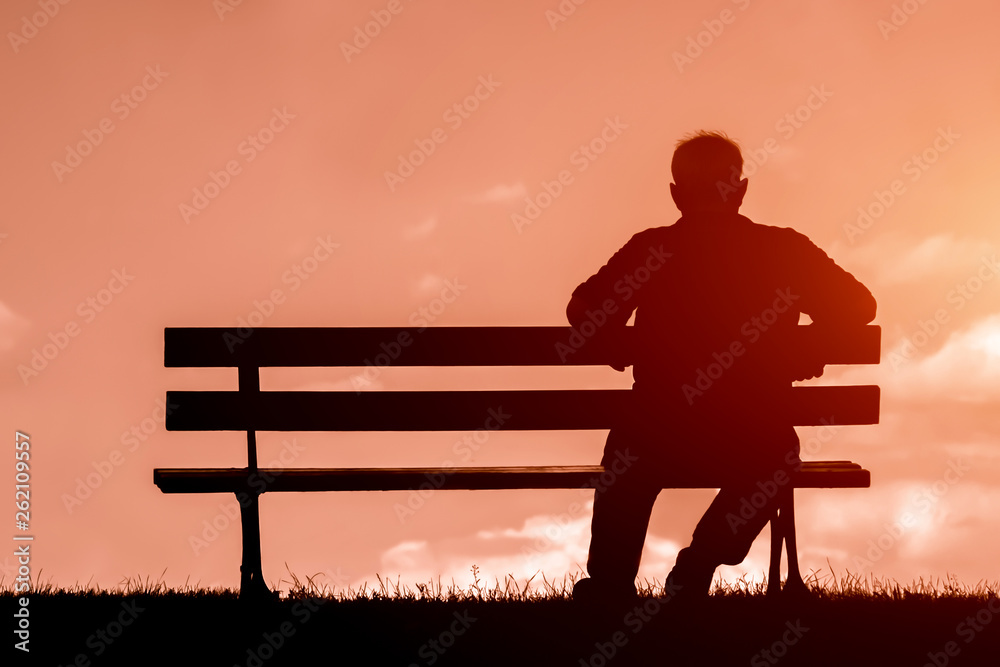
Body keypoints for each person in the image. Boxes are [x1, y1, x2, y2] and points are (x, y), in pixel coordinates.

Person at [567, 130, 876, 603]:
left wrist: (614, 343)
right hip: (752, 431)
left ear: (675, 194)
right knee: (776, 459)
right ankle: (699, 563)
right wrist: (807, 348)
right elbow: (859, 305)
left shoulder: (652, 250)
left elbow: (586, 308)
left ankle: (610, 583)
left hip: (657, 428)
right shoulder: (784, 250)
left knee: (627, 455)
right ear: (741, 189)